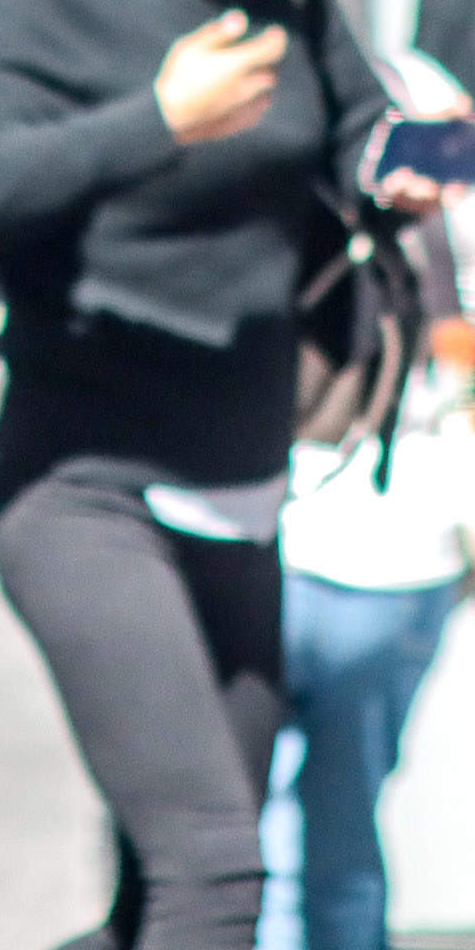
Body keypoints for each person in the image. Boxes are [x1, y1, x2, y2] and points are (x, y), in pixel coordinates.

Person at [0, 0, 451, 950]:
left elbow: (360, 126)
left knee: (162, 899)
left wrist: (418, 161)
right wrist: (156, 119)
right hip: (89, 494)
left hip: (241, 491)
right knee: (218, 872)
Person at [259, 314, 475, 950]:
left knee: (238, 830)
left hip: (273, 531)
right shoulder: (440, 235)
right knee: (341, 827)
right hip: (392, 550)